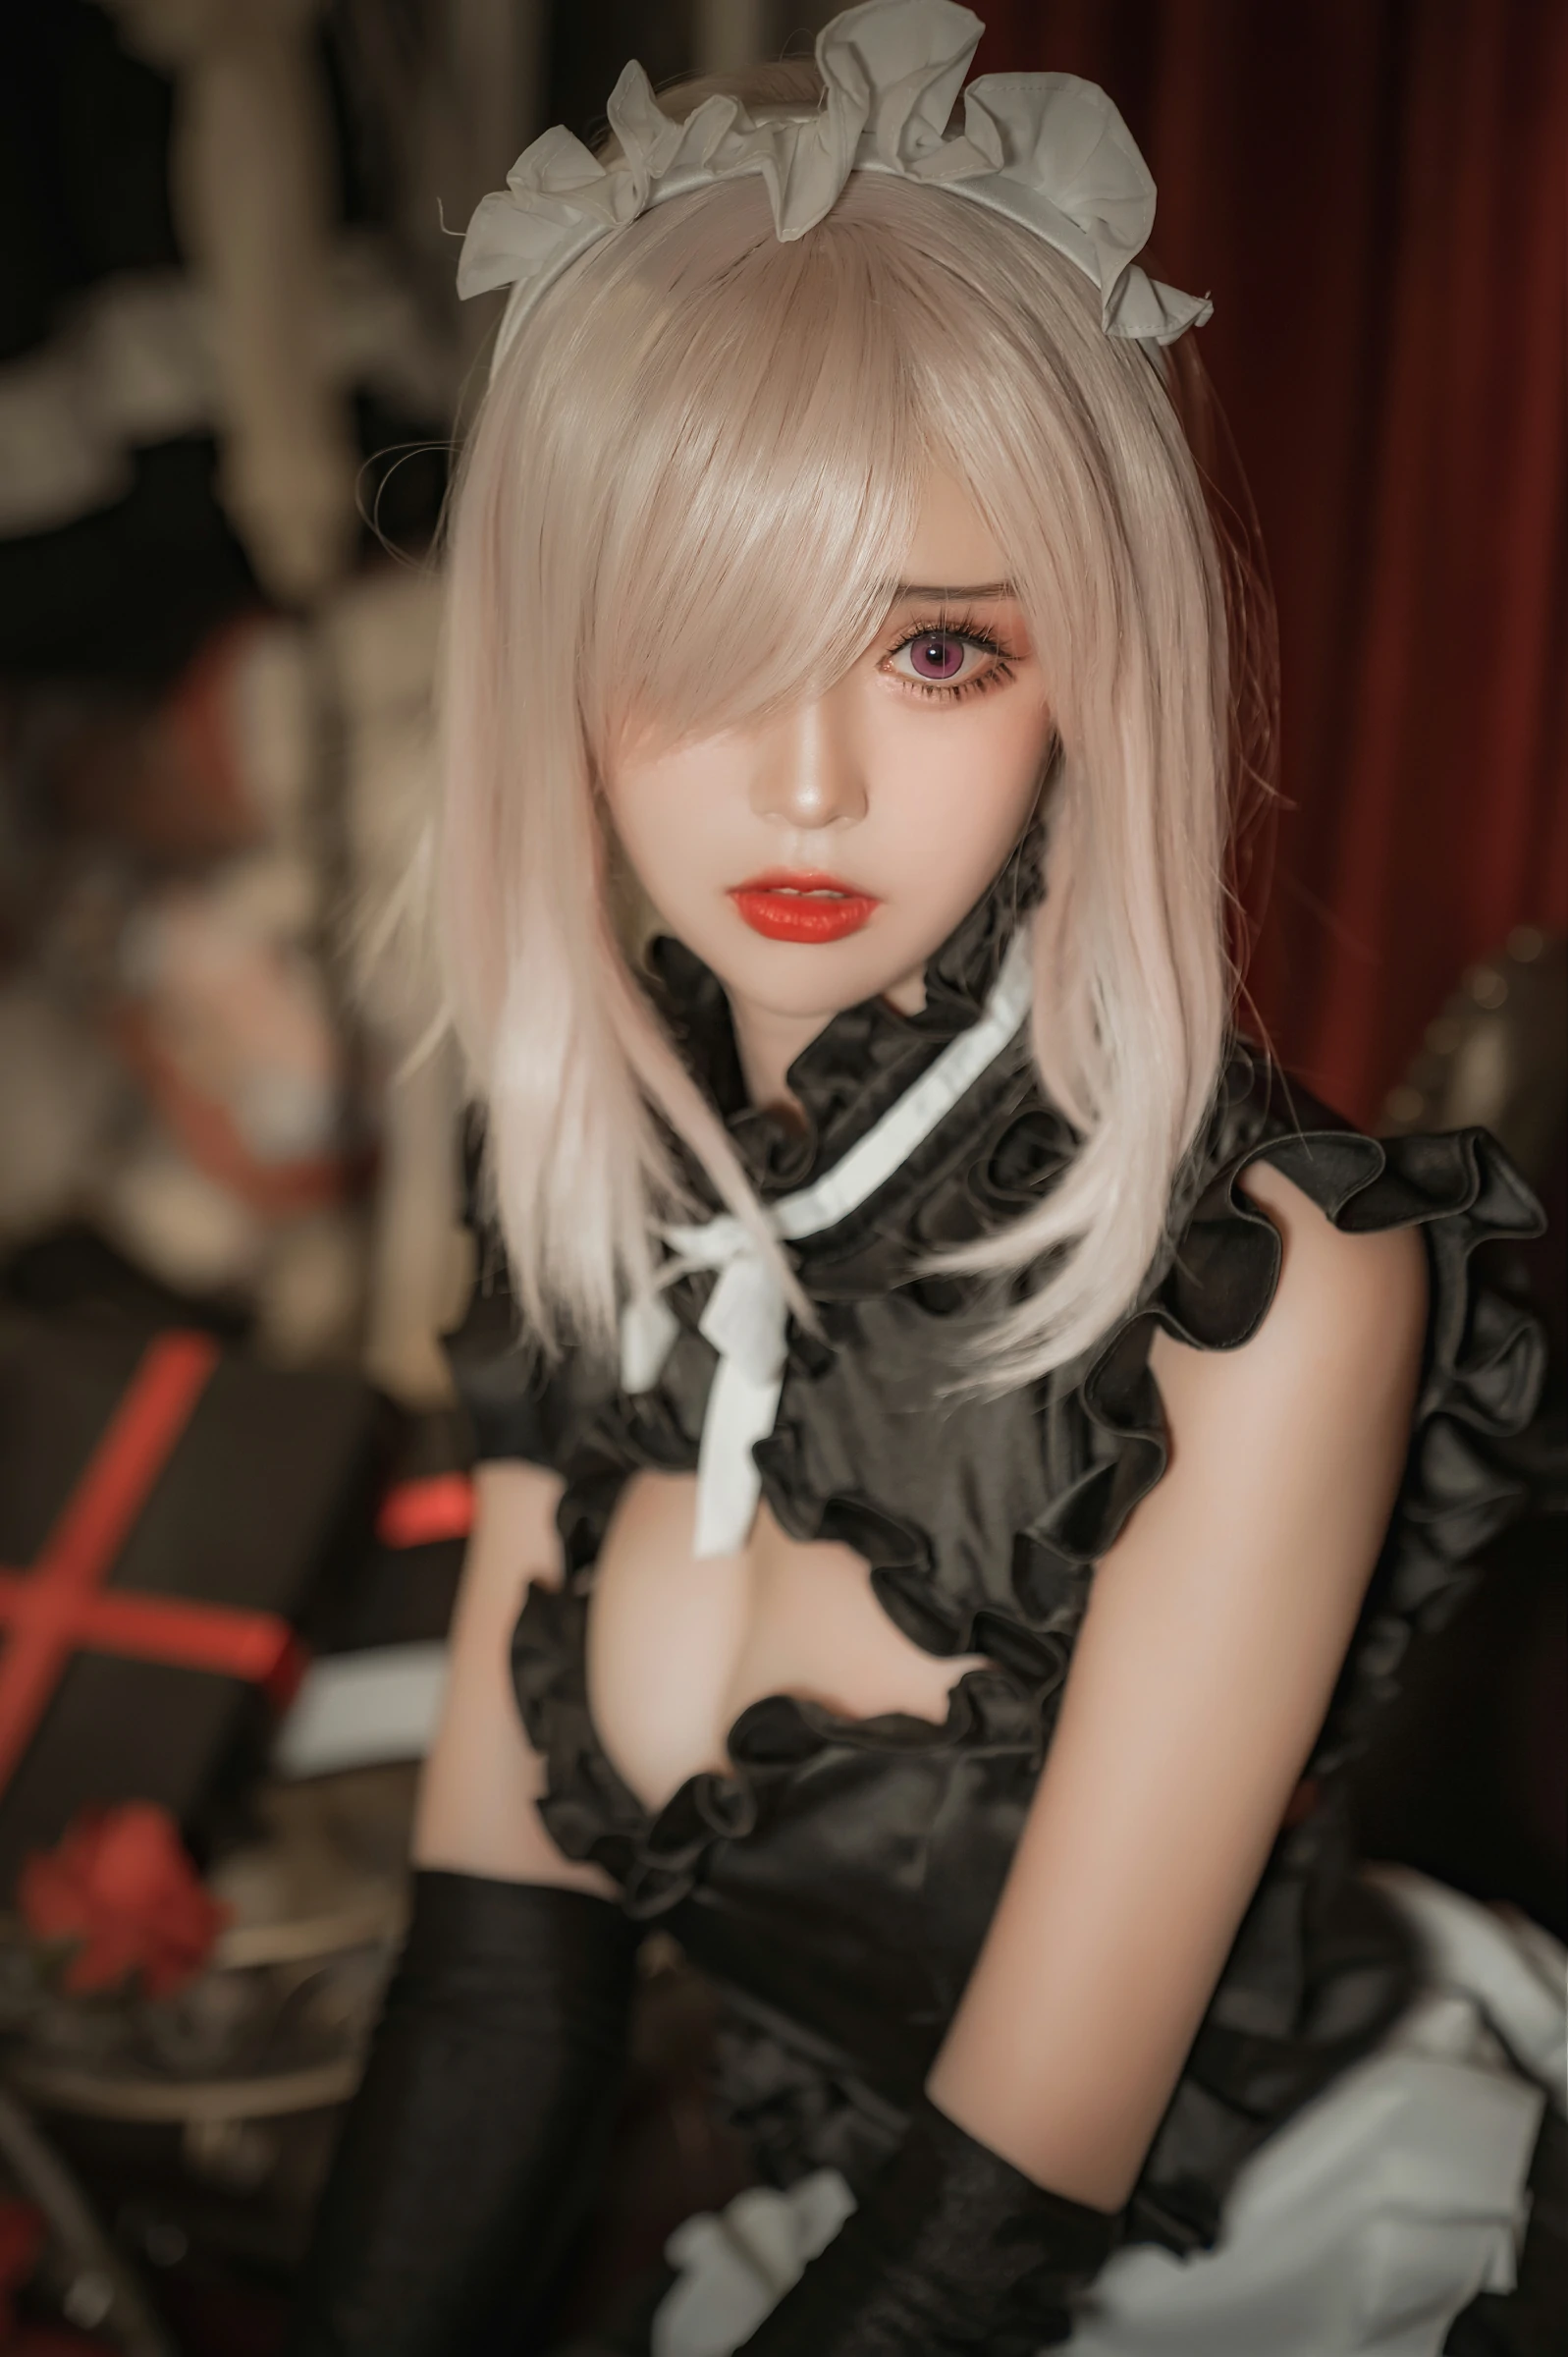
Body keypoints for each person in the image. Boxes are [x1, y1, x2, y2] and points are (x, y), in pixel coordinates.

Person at [291, 6, 1564, 2351]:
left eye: (941, 651)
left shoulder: (1262, 1284)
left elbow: (990, 2233)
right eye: (696, 641)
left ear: (1095, 664)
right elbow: (495, 1991)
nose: (807, 782)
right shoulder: (589, 1176)